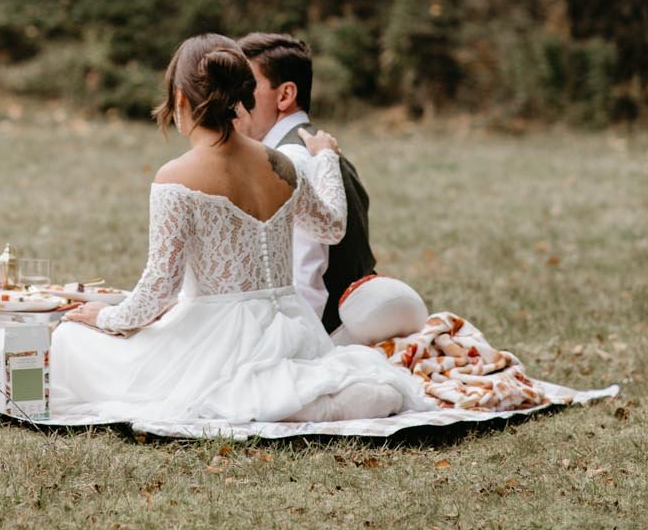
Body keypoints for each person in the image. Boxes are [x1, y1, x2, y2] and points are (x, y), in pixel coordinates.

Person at [49, 33, 426, 424]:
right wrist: (327, 158)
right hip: (293, 328)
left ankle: (291, 401)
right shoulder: (282, 164)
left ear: (180, 99)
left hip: (216, 336)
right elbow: (331, 227)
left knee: (71, 341)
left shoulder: (175, 177)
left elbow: (160, 287)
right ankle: (318, 400)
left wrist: (103, 317)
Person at [235, 31, 375, 335]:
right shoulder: (307, 147)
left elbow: (306, 281)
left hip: (323, 333)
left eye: (245, 86)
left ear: (284, 95)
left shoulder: (291, 159)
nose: (233, 98)